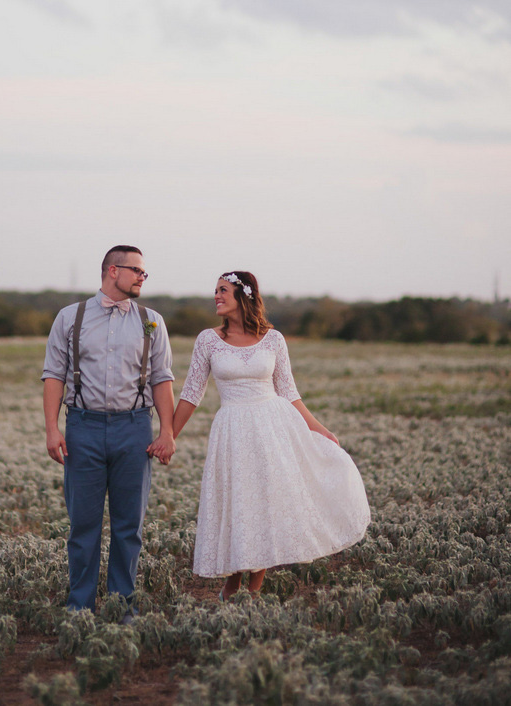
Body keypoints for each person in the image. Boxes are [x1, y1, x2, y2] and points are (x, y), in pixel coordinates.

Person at [172, 271, 370, 600]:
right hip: (232, 429)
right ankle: (232, 582)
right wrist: (170, 435)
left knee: (265, 502)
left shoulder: (273, 339)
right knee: (238, 502)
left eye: (223, 290)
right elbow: (192, 392)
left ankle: (253, 589)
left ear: (243, 296)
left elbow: (289, 392)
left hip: (272, 427)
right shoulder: (208, 340)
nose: (216, 296)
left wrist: (320, 430)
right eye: (215, 291)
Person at [42, 245, 176, 613]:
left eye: (144, 272)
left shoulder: (152, 320)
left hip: (134, 429)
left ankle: (122, 606)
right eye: (137, 271)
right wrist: (52, 429)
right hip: (82, 427)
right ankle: (79, 606)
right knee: (83, 526)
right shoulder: (71, 317)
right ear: (113, 271)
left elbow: (162, 379)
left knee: (128, 526)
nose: (142, 278)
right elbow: (53, 374)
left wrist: (167, 432)